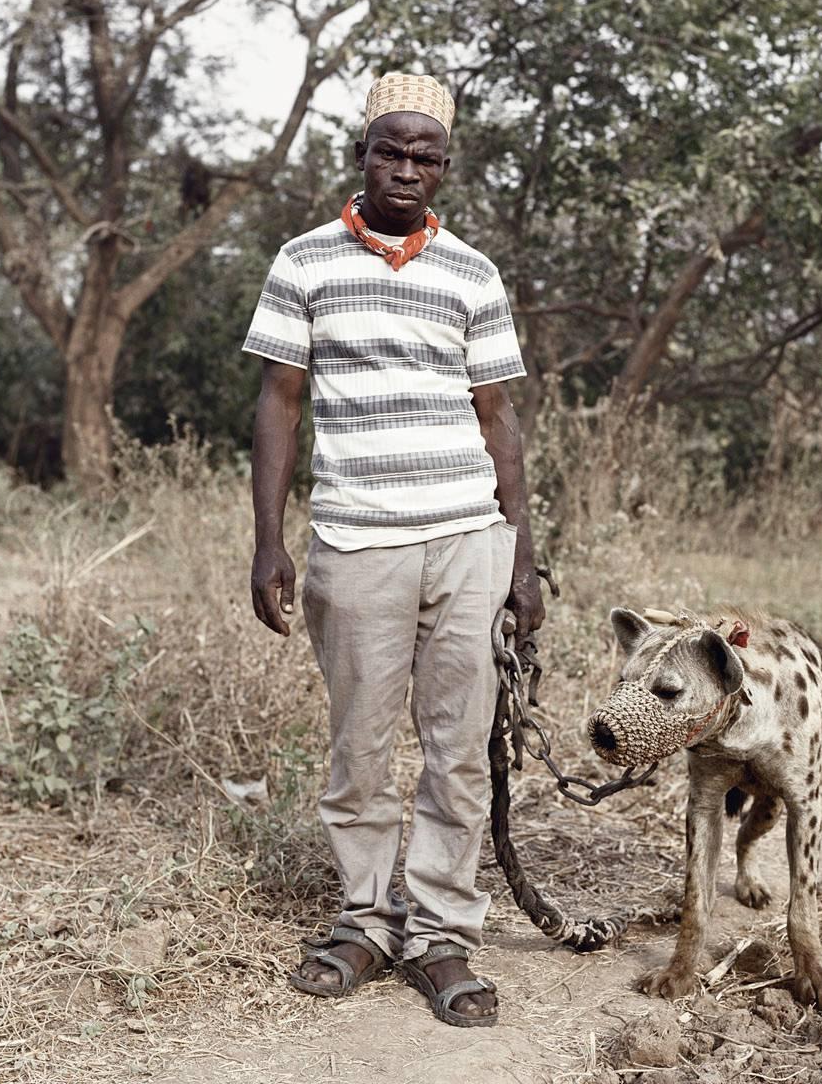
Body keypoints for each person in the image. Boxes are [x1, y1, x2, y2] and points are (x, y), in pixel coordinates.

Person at [243, 72, 544, 1028]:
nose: (407, 168)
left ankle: (443, 937)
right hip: (355, 540)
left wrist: (523, 557)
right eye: (391, 150)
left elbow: (499, 420)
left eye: (427, 156)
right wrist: (268, 541)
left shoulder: (473, 273)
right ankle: (366, 922)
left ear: (444, 167)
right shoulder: (304, 262)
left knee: (458, 751)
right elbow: (279, 404)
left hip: (465, 539)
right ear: (362, 154)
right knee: (361, 749)